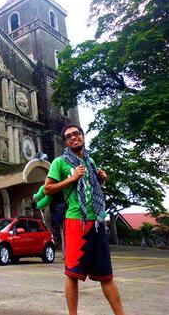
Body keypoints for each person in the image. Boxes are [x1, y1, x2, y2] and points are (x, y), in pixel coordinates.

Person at [42, 124, 125, 315]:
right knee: (73, 273)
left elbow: (91, 186)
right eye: (68, 136)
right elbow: (48, 189)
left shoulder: (90, 162)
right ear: (66, 142)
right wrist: (71, 179)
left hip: (97, 221)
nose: (73, 138)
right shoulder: (60, 163)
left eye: (76, 134)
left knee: (106, 274)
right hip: (75, 221)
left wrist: (102, 179)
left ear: (83, 137)